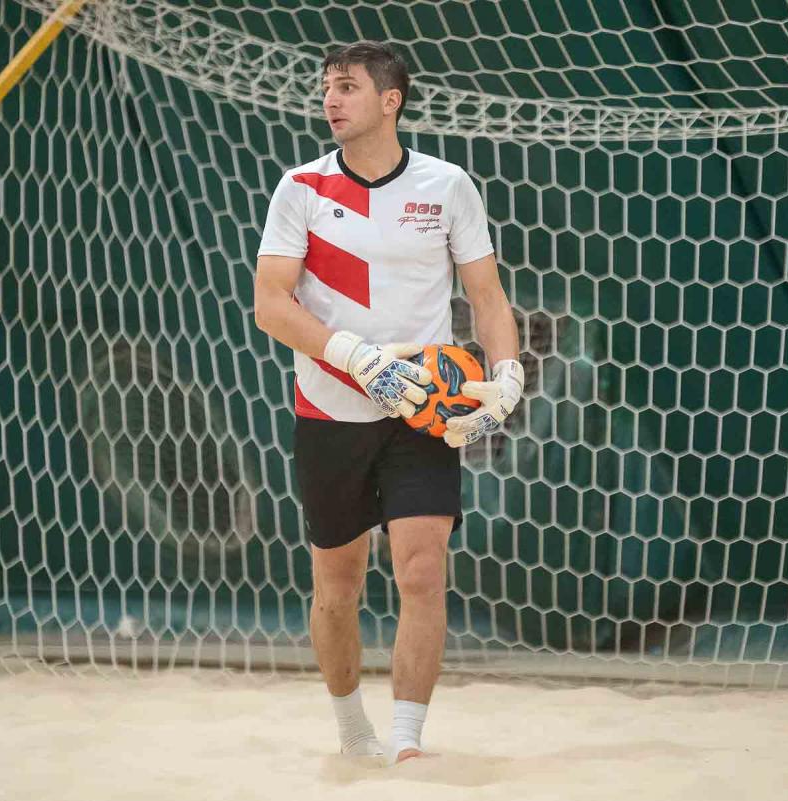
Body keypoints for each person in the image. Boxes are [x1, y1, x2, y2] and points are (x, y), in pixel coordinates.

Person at [252, 41, 522, 763]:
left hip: (420, 413)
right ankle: (354, 732)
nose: (330, 99)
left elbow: (487, 296)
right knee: (337, 586)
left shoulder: (448, 186)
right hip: (330, 411)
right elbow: (270, 306)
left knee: (423, 570)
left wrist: (508, 376)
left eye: (346, 86)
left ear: (390, 100)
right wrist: (357, 358)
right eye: (327, 87)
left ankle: (406, 741)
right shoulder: (301, 188)